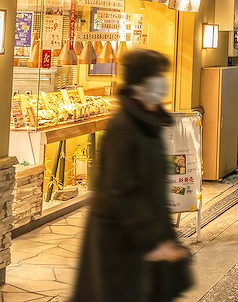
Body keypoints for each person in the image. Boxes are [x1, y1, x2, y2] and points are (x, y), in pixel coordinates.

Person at [72, 49, 191, 302]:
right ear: (141, 82)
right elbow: (119, 193)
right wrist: (154, 241)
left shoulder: (149, 122)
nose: (163, 82)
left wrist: (162, 237)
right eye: (158, 75)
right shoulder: (124, 127)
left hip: (143, 242)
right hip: (120, 246)